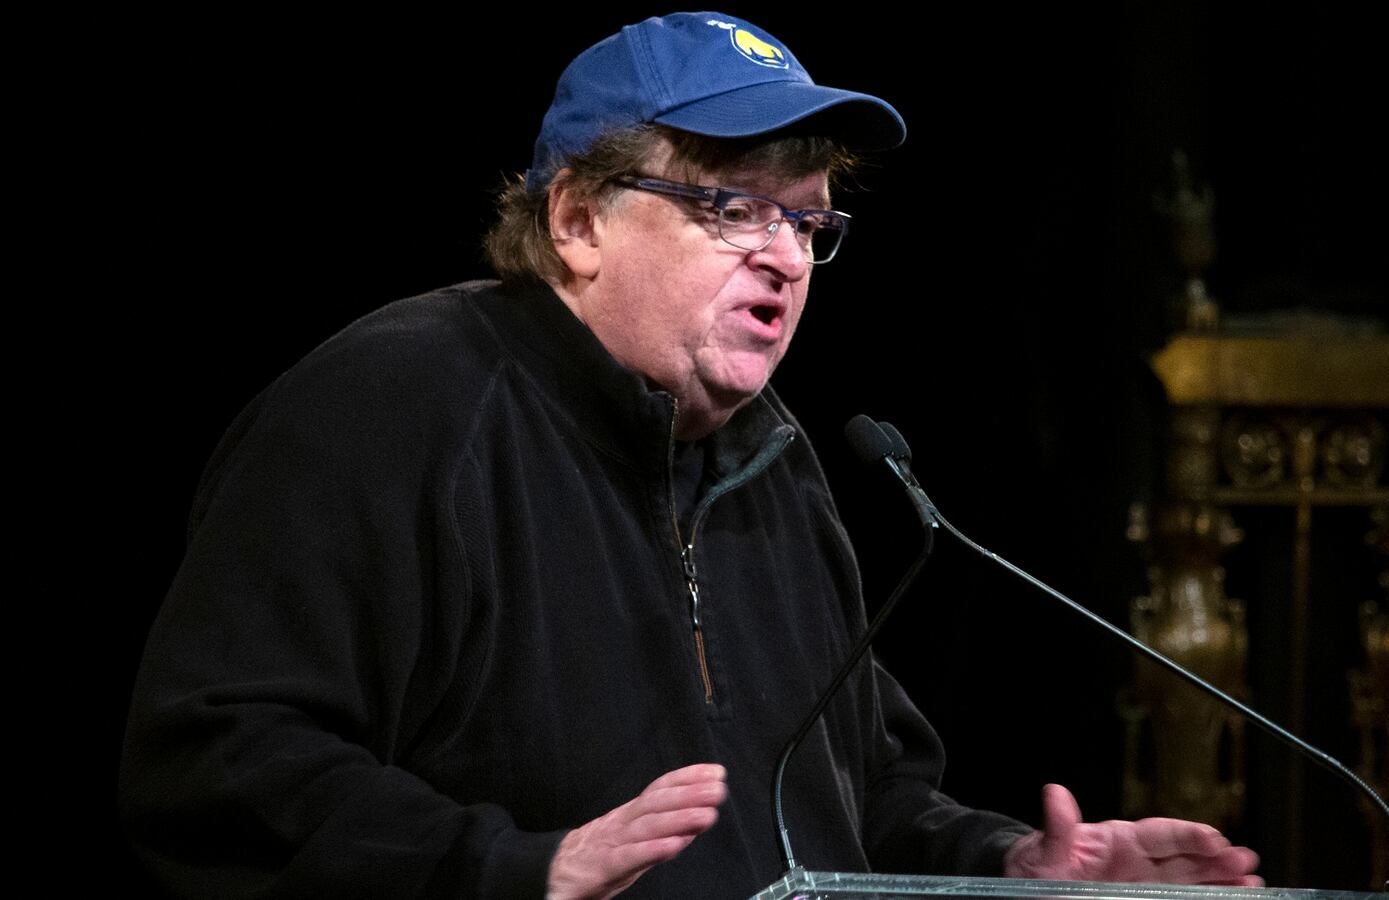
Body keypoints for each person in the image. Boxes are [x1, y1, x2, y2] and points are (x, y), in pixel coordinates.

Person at [121, 13, 1262, 899]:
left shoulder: (776, 464)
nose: (785, 260)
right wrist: (516, 871)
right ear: (575, 221)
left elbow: (862, 800)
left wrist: (1010, 868)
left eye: (808, 224)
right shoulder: (395, 407)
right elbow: (218, 762)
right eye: (733, 208)